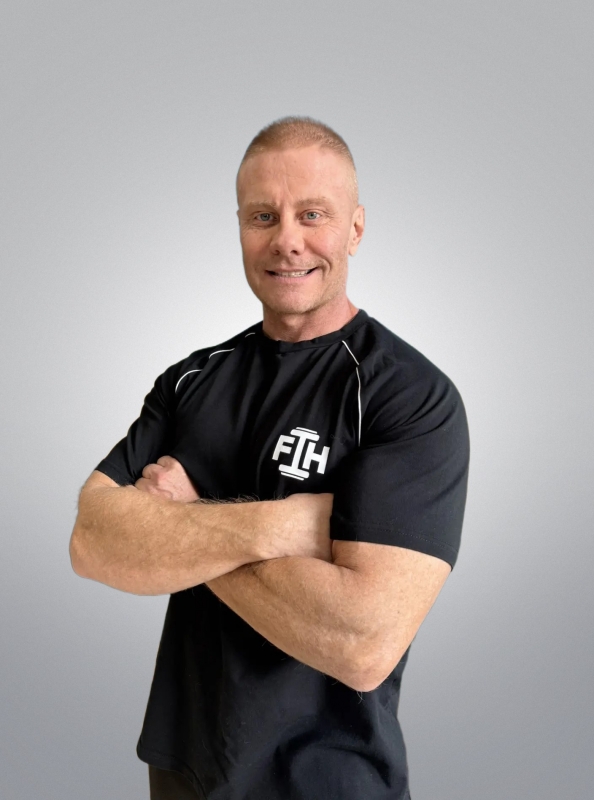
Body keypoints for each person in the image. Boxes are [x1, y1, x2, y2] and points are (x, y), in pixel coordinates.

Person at [69, 116, 470, 800]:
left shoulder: (407, 396)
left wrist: (184, 521)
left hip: (330, 779)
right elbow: (92, 541)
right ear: (240, 228)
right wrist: (285, 524)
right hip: (185, 769)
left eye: (312, 214)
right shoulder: (192, 380)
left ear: (355, 229)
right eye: (263, 216)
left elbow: (363, 646)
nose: (287, 239)